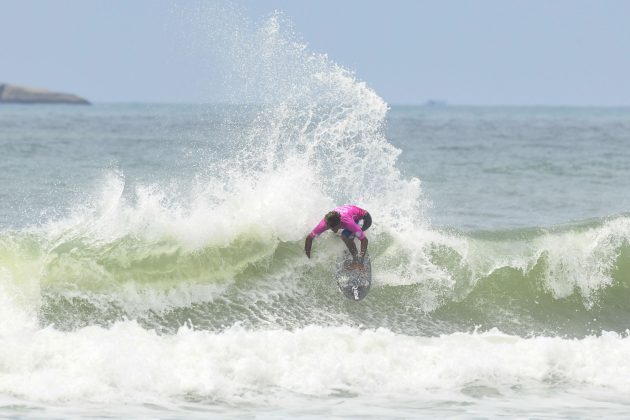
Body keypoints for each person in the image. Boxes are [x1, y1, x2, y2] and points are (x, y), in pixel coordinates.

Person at [304, 204, 371, 266]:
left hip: (365, 218)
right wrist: (308, 258)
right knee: (335, 235)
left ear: (339, 223)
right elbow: (309, 238)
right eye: (331, 228)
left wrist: (361, 259)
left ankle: (356, 260)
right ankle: (351, 245)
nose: (333, 230)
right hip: (349, 213)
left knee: (345, 236)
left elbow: (364, 240)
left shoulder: (348, 223)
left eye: (335, 228)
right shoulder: (325, 224)